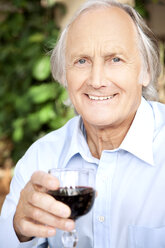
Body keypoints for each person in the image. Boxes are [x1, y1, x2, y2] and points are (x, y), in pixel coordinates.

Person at [0, 0, 165, 247]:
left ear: (146, 70)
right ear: (64, 75)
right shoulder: (40, 158)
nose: (97, 80)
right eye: (81, 61)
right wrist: (19, 230)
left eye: (115, 59)